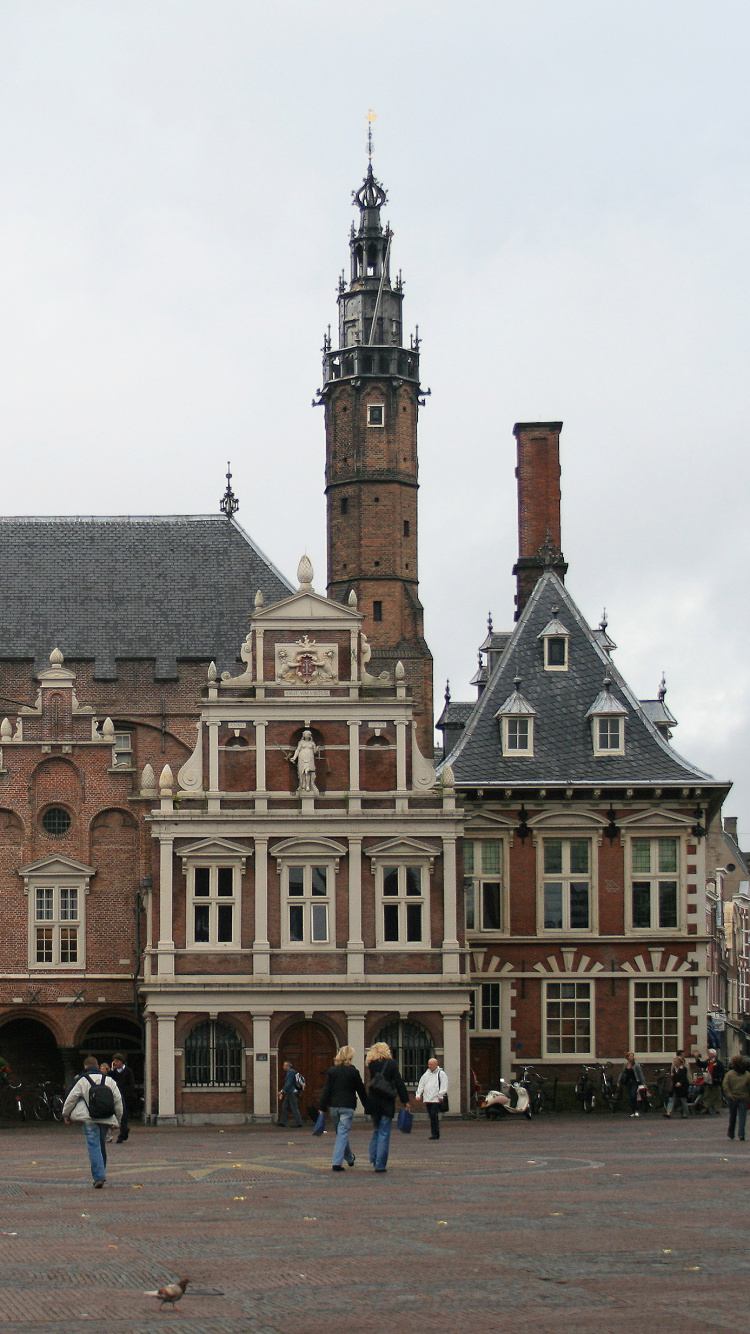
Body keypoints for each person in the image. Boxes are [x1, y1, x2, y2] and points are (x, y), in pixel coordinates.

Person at [62, 1055, 123, 1188]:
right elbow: (118, 1101)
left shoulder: (82, 1080)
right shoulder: (109, 1080)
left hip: (89, 1118)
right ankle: (101, 1173)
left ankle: (99, 1176)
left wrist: (66, 1116)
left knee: (93, 1145)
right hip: (106, 1117)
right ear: (97, 1065)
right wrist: (118, 1119)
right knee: (101, 1144)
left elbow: (71, 1099)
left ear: (85, 1066)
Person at [318, 1045, 368, 1171]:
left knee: (341, 1133)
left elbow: (326, 1090)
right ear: (350, 1057)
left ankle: (350, 1158)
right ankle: (336, 1163)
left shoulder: (332, 1071)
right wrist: (367, 1106)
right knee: (342, 1134)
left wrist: (322, 1107)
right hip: (348, 1106)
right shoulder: (353, 1071)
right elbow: (361, 1090)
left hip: (334, 1107)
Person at [365, 1041, 410, 1173]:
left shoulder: (371, 1064)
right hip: (386, 1101)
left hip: (373, 1101)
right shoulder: (392, 1064)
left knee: (376, 1131)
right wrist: (405, 1100)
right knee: (384, 1133)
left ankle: (373, 1158)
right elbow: (399, 1082)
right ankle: (380, 1164)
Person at [415, 1057, 449, 1139]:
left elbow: (444, 1085)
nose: (429, 1066)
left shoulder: (441, 1074)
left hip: (436, 1099)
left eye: (431, 1064)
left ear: (436, 1065)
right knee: (431, 1115)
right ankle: (434, 1132)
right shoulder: (426, 1074)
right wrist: (418, 1094)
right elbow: (421, 1085)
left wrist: (440, 1095)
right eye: (429, 1064)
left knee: (434, 1115)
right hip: (427, 1099)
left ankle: (435, 1133)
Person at [110, 1052, 136, 1143]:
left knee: (124, 1115)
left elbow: (131, 1084)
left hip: (124, 1096)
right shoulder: (113, 1073)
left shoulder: (128, 1071)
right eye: (114, 1061)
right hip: (115, 1096)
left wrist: (126, 1093)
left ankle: (121, 1135)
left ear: (121, 1062)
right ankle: (124, 1130)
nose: (115, 1063)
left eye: (117, 1061)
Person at [723, 1055, 750, 1141]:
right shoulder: (747, 1074)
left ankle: (731, 1133)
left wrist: (729, 1094)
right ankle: (741, 1134)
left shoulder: (729, 1074)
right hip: (744, 1097)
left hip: (733, 1097)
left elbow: (725, 1085)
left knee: (732, 1116)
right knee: (742, 1116)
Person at [618, 1052, 646, 1117]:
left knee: (633, 1095)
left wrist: (643, 1083)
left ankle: (636, 1110)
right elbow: (621, 1074)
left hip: (635, 1082)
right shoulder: (625, 1065)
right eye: (630, 1056)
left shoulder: (636, 1065)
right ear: (627, 1057)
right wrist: (619, 1082)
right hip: (628, 1082)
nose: (631, 1057)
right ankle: (633, 1111)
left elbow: (640, 1074)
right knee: (630, 1096)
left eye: (632, 1056)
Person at [277, 1061, 304, 1127]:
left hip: (292, 1092)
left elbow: (288, 1083)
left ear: (288, 1066)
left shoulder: (290, 1073)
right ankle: (282, 1122)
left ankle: (298, 1123)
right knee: (284, 1106)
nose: (283, 1067)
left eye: (284, 1065)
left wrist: (282, 1091)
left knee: (294, 1107)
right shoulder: (292, 1072)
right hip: (289, 1092)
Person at [702, 1048, 725, 1116]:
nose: (708, 1055)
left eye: (709, 1054)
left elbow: (721, 1072)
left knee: (717, 1095)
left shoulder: (718, 1063)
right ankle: (706, 1106)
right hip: (708, 1081)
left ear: (712, 1055)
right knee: (707, 1094)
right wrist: (697, 1059)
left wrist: (718, 1077)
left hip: (715, 1081)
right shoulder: (708, 1062)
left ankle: (717, 1108)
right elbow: (702, 1064)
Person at [665, 1054, 689, 1118]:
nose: (674, 1063)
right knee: (671, 1099)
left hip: (682, 1087)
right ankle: (668, 1112)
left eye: (675, 1061)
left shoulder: (684, 1069)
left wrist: (680, 1083)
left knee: (683, 1100)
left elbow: (684, 1077)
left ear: (679, 1062)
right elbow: (673, 1077)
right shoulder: (674, 1069)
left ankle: (685, 1113)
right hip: (675, 1087)